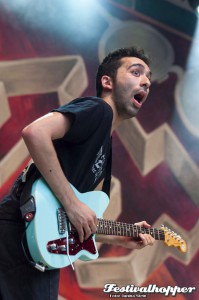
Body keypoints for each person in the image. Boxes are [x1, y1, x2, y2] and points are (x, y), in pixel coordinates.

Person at [0, 46, 155, 299]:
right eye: (136, 72)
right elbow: (35, 132)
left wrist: (118, 239)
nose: (146, 82)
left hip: (37, 244)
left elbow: (69, 220)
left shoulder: (104, 144)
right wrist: (72, 204)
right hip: (19, 233)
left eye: (148, 77)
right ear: (107, 82)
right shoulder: (98, 110)